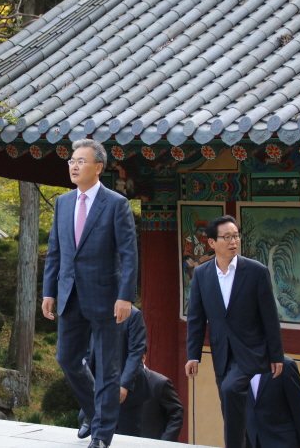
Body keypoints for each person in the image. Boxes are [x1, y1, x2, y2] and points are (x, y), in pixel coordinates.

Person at [42, 139, 138, 448]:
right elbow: (55, 251)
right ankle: (95, 411)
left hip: (107, 297)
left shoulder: (115, 203)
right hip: (69, 294)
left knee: (108, 367)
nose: (73, 165)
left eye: (81, 161)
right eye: (71, 160)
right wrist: (49, 292)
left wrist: (126, 297)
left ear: (98, 168)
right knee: (67, 358)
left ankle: (101, 434)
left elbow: (128, 254)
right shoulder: (63, 202)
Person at [185, 215, 284, 448]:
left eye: (236, 236)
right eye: (227, 237)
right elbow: (197, 319)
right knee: (231, 407)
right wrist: (193, 355)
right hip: (222, 353)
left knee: (230, 391)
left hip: (252, 351)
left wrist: (276, 354)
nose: (233, 241)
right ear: (212, 243)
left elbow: (270, 317)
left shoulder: (256, 272)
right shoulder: (202, 274)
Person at [78, 306, 150, 439]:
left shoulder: (133, 315)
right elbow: (88, 348)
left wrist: (125, 385)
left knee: (128, 436)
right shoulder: (94, 312)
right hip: (99, 380)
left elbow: (136, 353)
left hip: (128, 385)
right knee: (84, 418)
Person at [246, 356, 300, 448]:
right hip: (251, 441)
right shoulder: (238, 365)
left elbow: (299, 408)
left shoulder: (285, 365)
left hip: (282, 441)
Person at [140, 348, 184, 442]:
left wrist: (164, 443)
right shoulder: (117, 382)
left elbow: (176, 414)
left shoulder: (160, 383)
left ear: (143, 358)